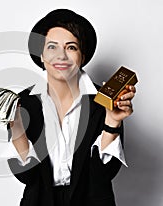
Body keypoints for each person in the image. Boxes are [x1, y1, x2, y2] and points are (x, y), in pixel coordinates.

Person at [7, 9, 136, 206]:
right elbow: (28, 177)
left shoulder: (104, 101)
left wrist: (112, 122)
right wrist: (16, 130)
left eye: (71, 47)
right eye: (52, 47)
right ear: (40, 55)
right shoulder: (22, 103)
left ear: (82, 56)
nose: (61, 56)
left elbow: (104, 175)